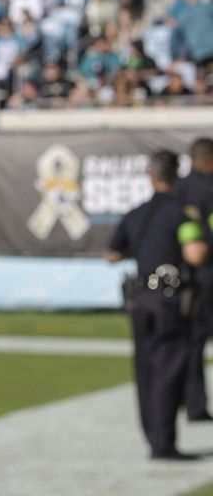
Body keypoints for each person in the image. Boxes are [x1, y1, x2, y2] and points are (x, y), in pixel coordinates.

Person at [107, 150, 208, 460]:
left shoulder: (136, 213)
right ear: (175, 175)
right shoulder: (183, 212)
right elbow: (195, 255)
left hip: (140, 299)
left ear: (150, 175)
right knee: (169, 370)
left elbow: (112, 254)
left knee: (146, 370)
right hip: (169, 301)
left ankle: (153, 438)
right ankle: (164, 444)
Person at [176, 137, 213, 422]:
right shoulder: (208, 188)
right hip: (208, 271)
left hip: (185, 276)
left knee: (191, 341)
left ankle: (192, 402)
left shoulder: (178, 189)